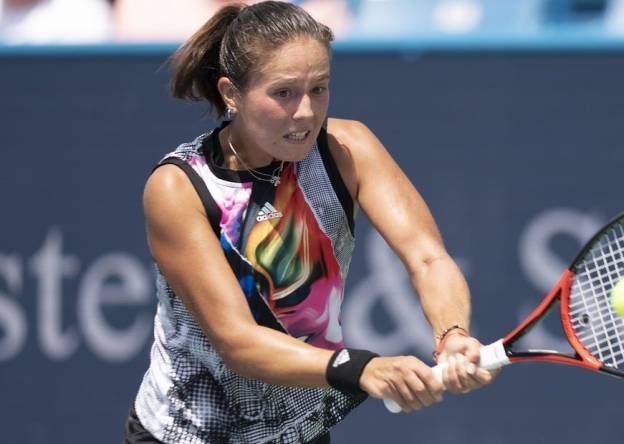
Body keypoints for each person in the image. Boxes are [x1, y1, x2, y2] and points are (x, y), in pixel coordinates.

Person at [126, 2, 496, 443]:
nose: (305, 112)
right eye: (283, 93)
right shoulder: (178, 188)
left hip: (298, 432)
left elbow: (428, 258)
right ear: (231, 93)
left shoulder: (349, 149)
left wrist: (452, 335)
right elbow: (238, 342)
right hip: (187, 435)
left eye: (318, 88)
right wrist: (360, 368)